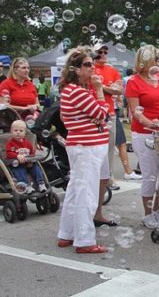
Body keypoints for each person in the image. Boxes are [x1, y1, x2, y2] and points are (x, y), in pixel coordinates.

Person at [57, 47, 109, 254]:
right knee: (86, 193)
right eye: (87, 65)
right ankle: (85, 240)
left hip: (83, 145)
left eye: (92, 64)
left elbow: (96, 114)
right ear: (76, 69)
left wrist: (97, 111)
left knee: (75, 190)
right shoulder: (78, 91)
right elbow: (102, 113)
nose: (92, 68)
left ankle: (66, 234)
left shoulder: (72, 90)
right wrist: (99, 92)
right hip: (86, 147)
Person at [126, 44, 159, 228]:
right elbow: (135, 111)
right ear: (145, 61)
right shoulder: (134, 82)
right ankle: (149, 215)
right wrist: (149, 123)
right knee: (150, 175)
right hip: (145, 134)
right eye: (155, 59)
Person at [93, 44, 122, 200]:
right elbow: (91, 86)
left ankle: (108, 176)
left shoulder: (112, 70)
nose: (103, 54)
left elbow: (119, 90)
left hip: (109, 113)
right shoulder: (90, 68)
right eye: (100, 52)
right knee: (95, 148)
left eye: (105, 52)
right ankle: (96, 177)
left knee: (110, 147)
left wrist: (101, 87)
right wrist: (108, 88)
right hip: (93, 114)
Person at [6, 119, 47, 194]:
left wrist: (31, 161)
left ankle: (41, 183)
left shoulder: (27, 143)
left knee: (36, 168)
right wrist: (17, 156)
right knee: (19, 171)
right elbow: (9, 153)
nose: (18, 132)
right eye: (15, 130)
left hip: (28, 163)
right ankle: (26, 186)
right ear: (11, 132)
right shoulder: (10, 143)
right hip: (17, 164)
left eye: (21, 131)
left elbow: (32, 153)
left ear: (24, 133)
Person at [114, 95, 142, 181]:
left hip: (112, 112)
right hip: (108, 113)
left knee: (122, 143)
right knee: (120, 144)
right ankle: (127, 172)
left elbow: (120, 99)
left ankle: (128, 171)